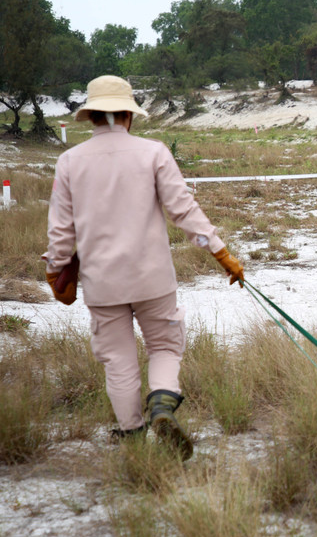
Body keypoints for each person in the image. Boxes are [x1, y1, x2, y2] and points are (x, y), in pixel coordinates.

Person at [43, 75, 244, 460]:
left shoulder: (69, 161)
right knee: (166, 346)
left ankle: (132, 435)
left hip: (101, 283)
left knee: (117, 361)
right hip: (153, 278)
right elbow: (183, 210)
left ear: (91, 117)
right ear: (129, 115)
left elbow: (61, 231)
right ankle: (163, 407)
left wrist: (56, 272)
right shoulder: (153, 152)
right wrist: (221, 253)